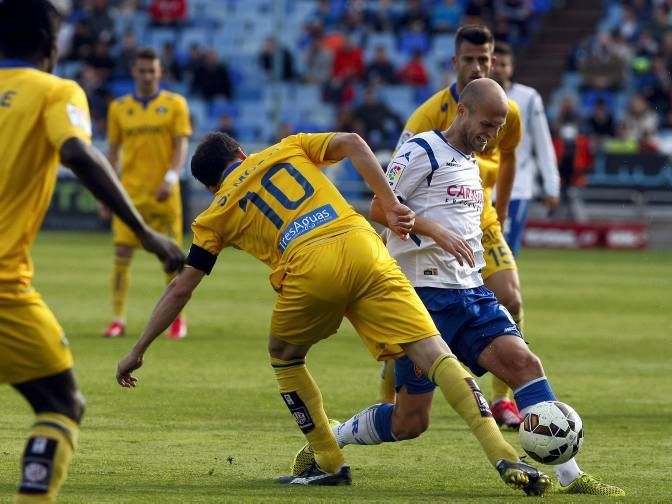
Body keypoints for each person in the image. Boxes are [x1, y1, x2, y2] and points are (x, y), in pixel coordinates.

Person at [115, 130, 550, 494]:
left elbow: (180, 289)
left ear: (211, 185)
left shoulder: (215, 212)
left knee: (284, 355)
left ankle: (328, 459)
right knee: (434, 353)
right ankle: (504, 456)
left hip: (308, 267)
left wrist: (138, 349)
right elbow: (354, 142)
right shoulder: (287, 147)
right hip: (364, 245)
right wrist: (390, 202)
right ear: (242, 153)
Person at [289, 79, 624, 496]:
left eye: (499, 127)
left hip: (472, 295)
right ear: (462, 112)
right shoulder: (421, 150)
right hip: (421, 301)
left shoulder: (471, 162)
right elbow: (380, 206)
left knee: (525, 365)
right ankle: (334, 436)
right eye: (487, 123)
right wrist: (435, 231)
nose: (492, 134)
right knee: (411, 422)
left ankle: (572, 476)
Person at [0, 1, 184, 502]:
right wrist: (147, 233)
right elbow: (78, 152)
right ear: (50, 47)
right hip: (4, 291)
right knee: (61, 404)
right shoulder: (56, 91)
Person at [387, 24, 526, 430]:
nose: (478, 65)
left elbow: (511, 158)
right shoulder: (428, 116)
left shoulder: (506, 111)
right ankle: (393, 398)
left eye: (485, 59)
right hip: (432, 229)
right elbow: (391, 190)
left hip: (482, 222)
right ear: (455, 63)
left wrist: (499, 211)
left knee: (511, 301)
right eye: (469, 59)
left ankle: (503, 400)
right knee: (416, 330)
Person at [102, 47, 192, 339]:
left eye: (151, 71)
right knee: (122, 252)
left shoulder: (175, 104)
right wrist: (106, 192)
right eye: (141, 70)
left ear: (160, 72)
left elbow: (180, 145)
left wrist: (171, 177)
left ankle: (177, 319)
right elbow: (113, 152)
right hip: (129, 195)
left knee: (172, 257)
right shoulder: (119, 108)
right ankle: (117, 319)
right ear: (133, 72)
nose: (146, 76)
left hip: (164, 193)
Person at [491, 42, 559, 256]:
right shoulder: (476, 95)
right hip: (481, 186)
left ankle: (501, 290)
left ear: (511, 68)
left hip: (517, 186)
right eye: (495, 63)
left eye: (504, 64)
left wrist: (552, 186)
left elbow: (543, 143)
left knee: (504, 251)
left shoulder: (528, 98)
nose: (499, 68)